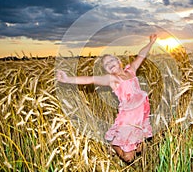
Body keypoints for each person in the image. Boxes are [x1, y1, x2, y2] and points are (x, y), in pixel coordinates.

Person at [56, 34, 157, 163]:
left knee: (139, 148)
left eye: (111, 61)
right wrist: (67, 79)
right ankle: (114, 145)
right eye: (106, 65)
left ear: (119, 62)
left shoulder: (131, 71)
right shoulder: (112, 79)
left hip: (141, 116)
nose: (109, 64)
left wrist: (151, 42)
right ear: (107, 71)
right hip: (128, 119)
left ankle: (123, 145)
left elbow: (141, 55)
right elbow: (91, 79)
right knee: (128, 157)